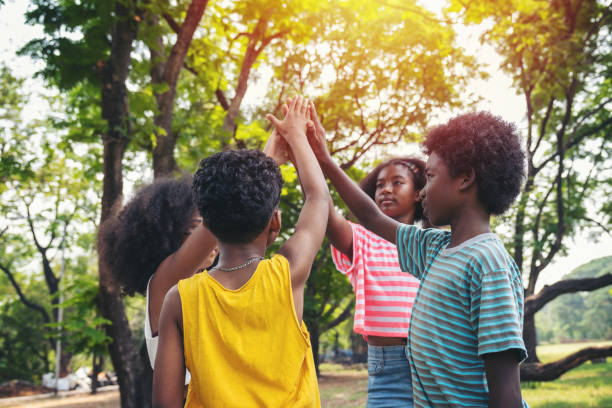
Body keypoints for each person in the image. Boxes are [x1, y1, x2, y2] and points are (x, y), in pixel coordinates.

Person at [307, 110, 528, 407]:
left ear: (465, 179)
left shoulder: (488, 264)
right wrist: (324, 159)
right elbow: (371, 216)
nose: (422, 192)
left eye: (431, 177)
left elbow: (507, 392)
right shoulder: (435, 249)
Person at [152, 96, 328, 407]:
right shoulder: (286, 275)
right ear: (275, 220)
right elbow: (318, 198)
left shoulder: (179, 300)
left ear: (206, 223)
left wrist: (265, 162)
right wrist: (298, 136)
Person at [312, 103, 425, 405]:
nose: (386, 190)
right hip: (387, 370)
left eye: (397, 183)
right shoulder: (361, 239)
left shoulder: (432, 242)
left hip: (434, 364)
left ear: (418, 194)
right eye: (379, 185)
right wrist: (310, 156)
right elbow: (321, 206)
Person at [98, 178, 218, 379]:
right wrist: (266, 165)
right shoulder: (164, 283)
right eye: (198, 225)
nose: (214, 235)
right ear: (167, 233)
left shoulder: (204, 287)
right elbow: (221, 216)